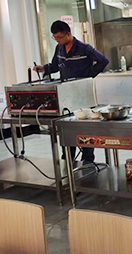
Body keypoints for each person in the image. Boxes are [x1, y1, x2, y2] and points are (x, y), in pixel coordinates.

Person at [34, 20, 109, 163]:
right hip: (66, 96)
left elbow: (103, 61)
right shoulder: (59, 48)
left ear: (68, 34)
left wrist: (89, 75)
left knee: (84, 128)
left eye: (60, 37)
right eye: (55, 38)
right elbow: (55, 66)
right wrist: (44, 68)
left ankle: (87, 160)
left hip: (83, 95)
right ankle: (68, 160)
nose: (58, 40)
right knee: (67, 128)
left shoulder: (84, 48)